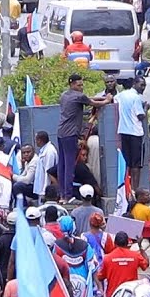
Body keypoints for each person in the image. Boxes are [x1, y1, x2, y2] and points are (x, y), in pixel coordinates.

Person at [56, 73, 112, 201]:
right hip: (70, 134)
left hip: (61, 133)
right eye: (79, 85)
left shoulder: (65, 95)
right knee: (70, 166)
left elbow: (87, 98)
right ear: (72, 84)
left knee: (62, 165)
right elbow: (93, 103)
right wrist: (107, 100)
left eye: (82, 85)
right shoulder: (79, 96)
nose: (81, 87)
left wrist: (98, 98)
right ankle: (68, 196)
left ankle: (62, 194)